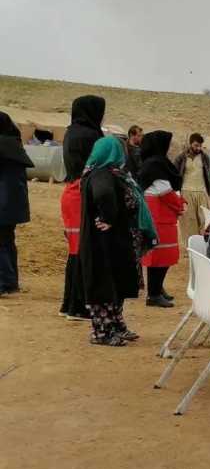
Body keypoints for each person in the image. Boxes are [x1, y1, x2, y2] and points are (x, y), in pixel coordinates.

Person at [79, 137, 157, 346]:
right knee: (103, 285)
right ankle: (102, 332)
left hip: (114, 241)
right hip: (101, 242)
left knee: (116, 284)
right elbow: (104, 194)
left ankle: (115, 326)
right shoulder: (101, 174)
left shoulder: (112, 173)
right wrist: (108, 218)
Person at [59, 95, 106, 320]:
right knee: (84, 251)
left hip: (71, 192)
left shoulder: (71, 132)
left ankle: (69, 303)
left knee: (75, 251)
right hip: (84, 194)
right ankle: (78, 307)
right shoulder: (91, 135)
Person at [138, 131, 186, 308]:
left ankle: (157, 288)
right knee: (161, 254)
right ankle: (154, 294)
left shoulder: (153, 163)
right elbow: (165, 192)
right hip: (159, 215)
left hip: (159, 214)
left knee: (161, 254)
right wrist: (180, 205)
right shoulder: (156, 165)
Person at [0, 112, 34, 296]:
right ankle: (11, 282)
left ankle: (4, 283)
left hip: (3, 203)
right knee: (7, 241)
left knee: (2, 243)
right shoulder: (13, 144)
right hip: (13, 204)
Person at [174, 132, 210, 247]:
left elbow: (208, 174)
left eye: (200, 146)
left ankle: (203, 246)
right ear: (190, 144)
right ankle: (190, 247)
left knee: (205, 220)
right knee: (189, 222)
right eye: (196, 145)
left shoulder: (204, 157)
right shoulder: (181, 158)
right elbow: (175, 174)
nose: (198, 148)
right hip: (186, 192)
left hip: (201, 192)